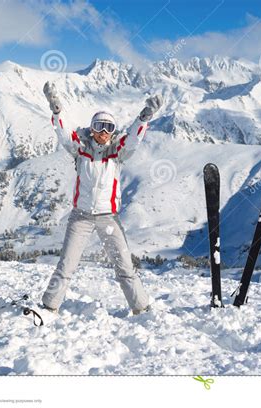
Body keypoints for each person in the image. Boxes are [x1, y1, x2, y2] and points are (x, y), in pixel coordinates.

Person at [41, 81, 163, 315]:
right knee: (66, 265)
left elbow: (134, 140)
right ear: (92, 128)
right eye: (99, 126)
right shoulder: (81, 149)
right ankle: (49, 305)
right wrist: (56, 110)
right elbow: (64, 133)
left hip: (109, 219)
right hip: (81, 217)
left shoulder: (117, 152)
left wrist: (144, 117)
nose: (103, 132)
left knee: (125, 266)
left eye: (109, 127)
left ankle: (141, 308)